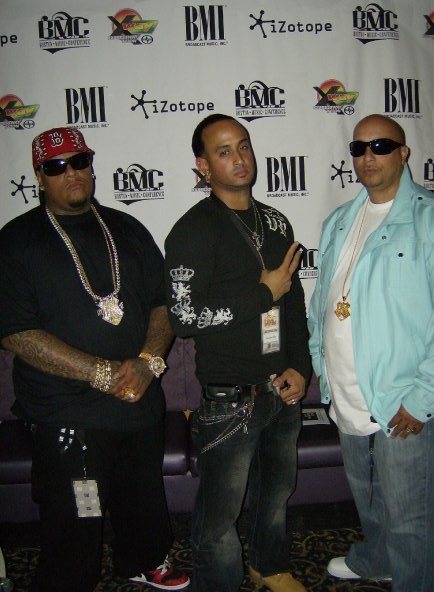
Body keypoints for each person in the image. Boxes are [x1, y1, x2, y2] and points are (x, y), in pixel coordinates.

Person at [0, 127, 189, 592]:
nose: (71, 173)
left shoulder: (128, 228)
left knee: (142, 494)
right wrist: (99, 373)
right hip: (67, 410)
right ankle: (69, 580)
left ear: (91, 164)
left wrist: (147, 361)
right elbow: (16, 333)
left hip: (138, 397)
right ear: (39, 176)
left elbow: (162, 303)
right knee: (76, 514)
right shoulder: (17, 240)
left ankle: (143, 558)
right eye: (55, 166)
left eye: (79, 161)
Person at [164, 113, 311, 592]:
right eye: (223, 151)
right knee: (219, 519)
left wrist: (301, 366)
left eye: (243, 145)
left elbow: (293, 302)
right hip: (230, 400)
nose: (239, 158)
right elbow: (184, 318)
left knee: (276, 495)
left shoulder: (275, 221)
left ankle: (270, 566)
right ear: (203, 166)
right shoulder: (193, 230)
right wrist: (262, 294)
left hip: (281, 390)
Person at [308, 114, 434, 591]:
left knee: (411, 520)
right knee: (369, 500)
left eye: (381, 145)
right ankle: (376, 559)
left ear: (404, 153)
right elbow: (321, 303)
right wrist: (323, 367)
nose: (368, 156)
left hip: (403, 399)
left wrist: (424, 398)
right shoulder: (339, 221)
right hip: (347, 393)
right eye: (359, 148)